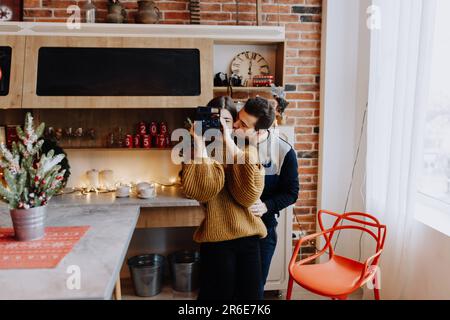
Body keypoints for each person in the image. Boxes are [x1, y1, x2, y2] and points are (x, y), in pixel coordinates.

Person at [181, 96, 267, 300]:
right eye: (214, 120)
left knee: (251, 300)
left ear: (235, 123)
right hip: (216, 238)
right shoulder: (196, 154)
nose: (220, 126)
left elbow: (248, 195)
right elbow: (202, 192)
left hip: (248, 236)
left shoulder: (247, 151)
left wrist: (230, 142)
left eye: (226, 121)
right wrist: (200, 146)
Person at [233, 96, 299, 297]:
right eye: (238, 118)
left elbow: (291, 193)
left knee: (253, 292)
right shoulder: (230, 141)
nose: (235, 125)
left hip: (262, 232)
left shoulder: (284, 152)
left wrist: (267, 206)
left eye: (243, 124)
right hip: (231, 228)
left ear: (260, 131)